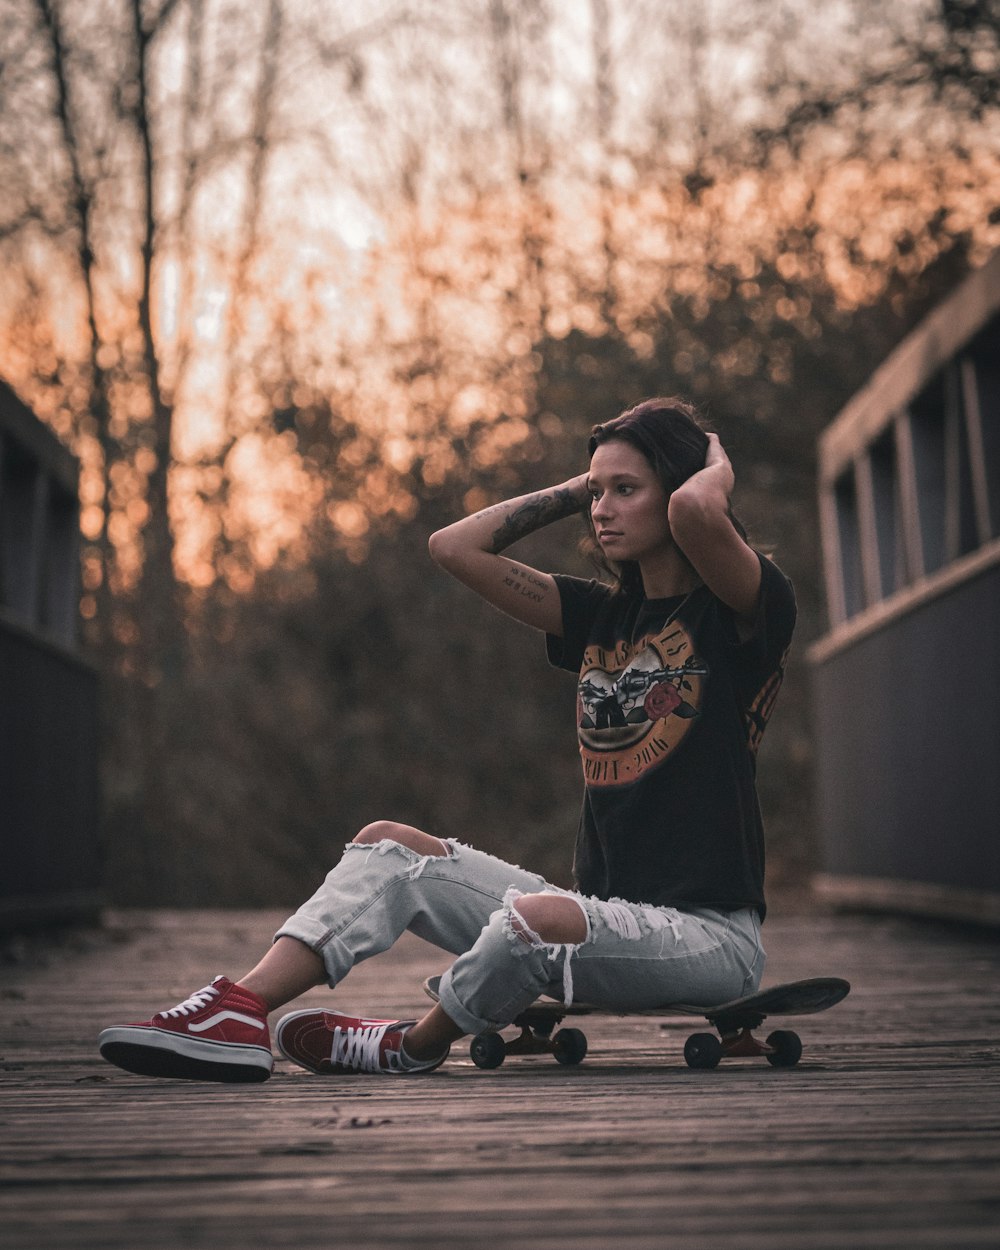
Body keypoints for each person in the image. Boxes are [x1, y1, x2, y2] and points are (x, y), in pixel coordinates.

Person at [98, 397, 796, 1082]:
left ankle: (412, 1043)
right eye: (596, 492)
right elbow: (453, 546)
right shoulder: (597, 615)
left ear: (678, 488)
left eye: (624, 490)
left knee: (532, 920)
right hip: (602, 917)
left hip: (707, 938)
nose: (601, 509)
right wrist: (575, 484)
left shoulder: (745, 608)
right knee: (389, 848)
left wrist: (713, 461)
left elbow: (696, 514)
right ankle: (240, 1009)